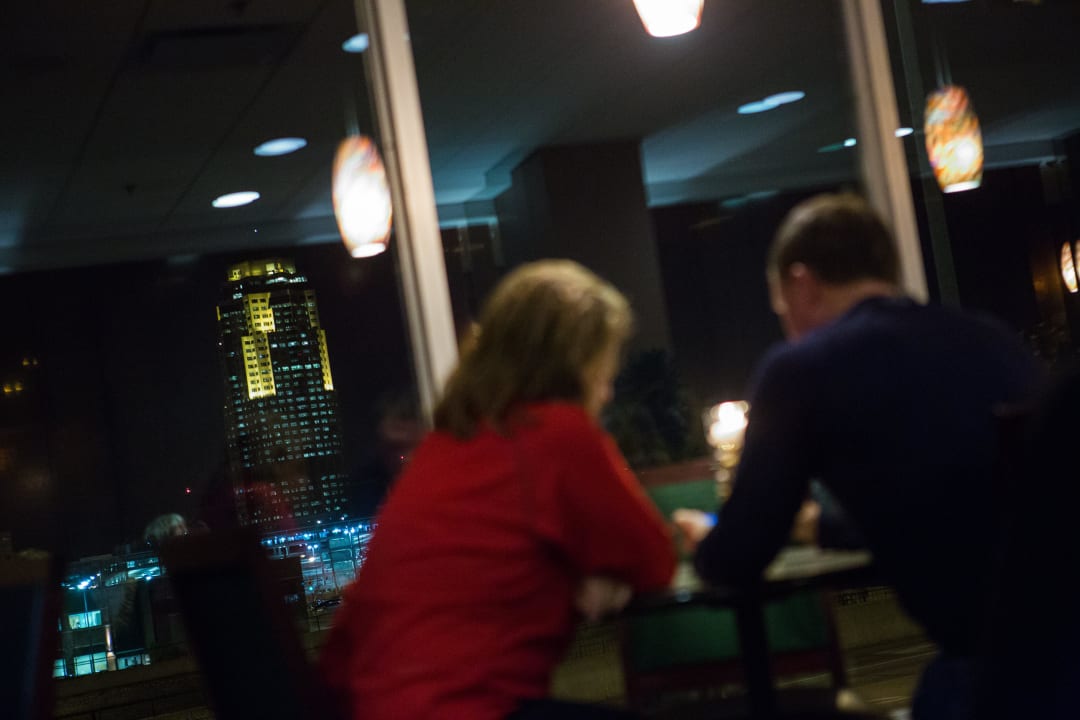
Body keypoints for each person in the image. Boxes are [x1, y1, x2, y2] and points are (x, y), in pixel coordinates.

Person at [673, 194, 1040, 719]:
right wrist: (820, 527)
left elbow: (739, 556)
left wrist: (711, 540)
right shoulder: (991, 338)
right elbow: (950, 498)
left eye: (782, 309)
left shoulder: (803, 369)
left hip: (993, 678)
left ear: (802, 284)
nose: (788, 327)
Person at [321, 260, 676, 720]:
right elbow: (654, 563)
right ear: (572, 365)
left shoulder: (448, 443)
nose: (606, 392)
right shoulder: (556, 434)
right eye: (602, 369)